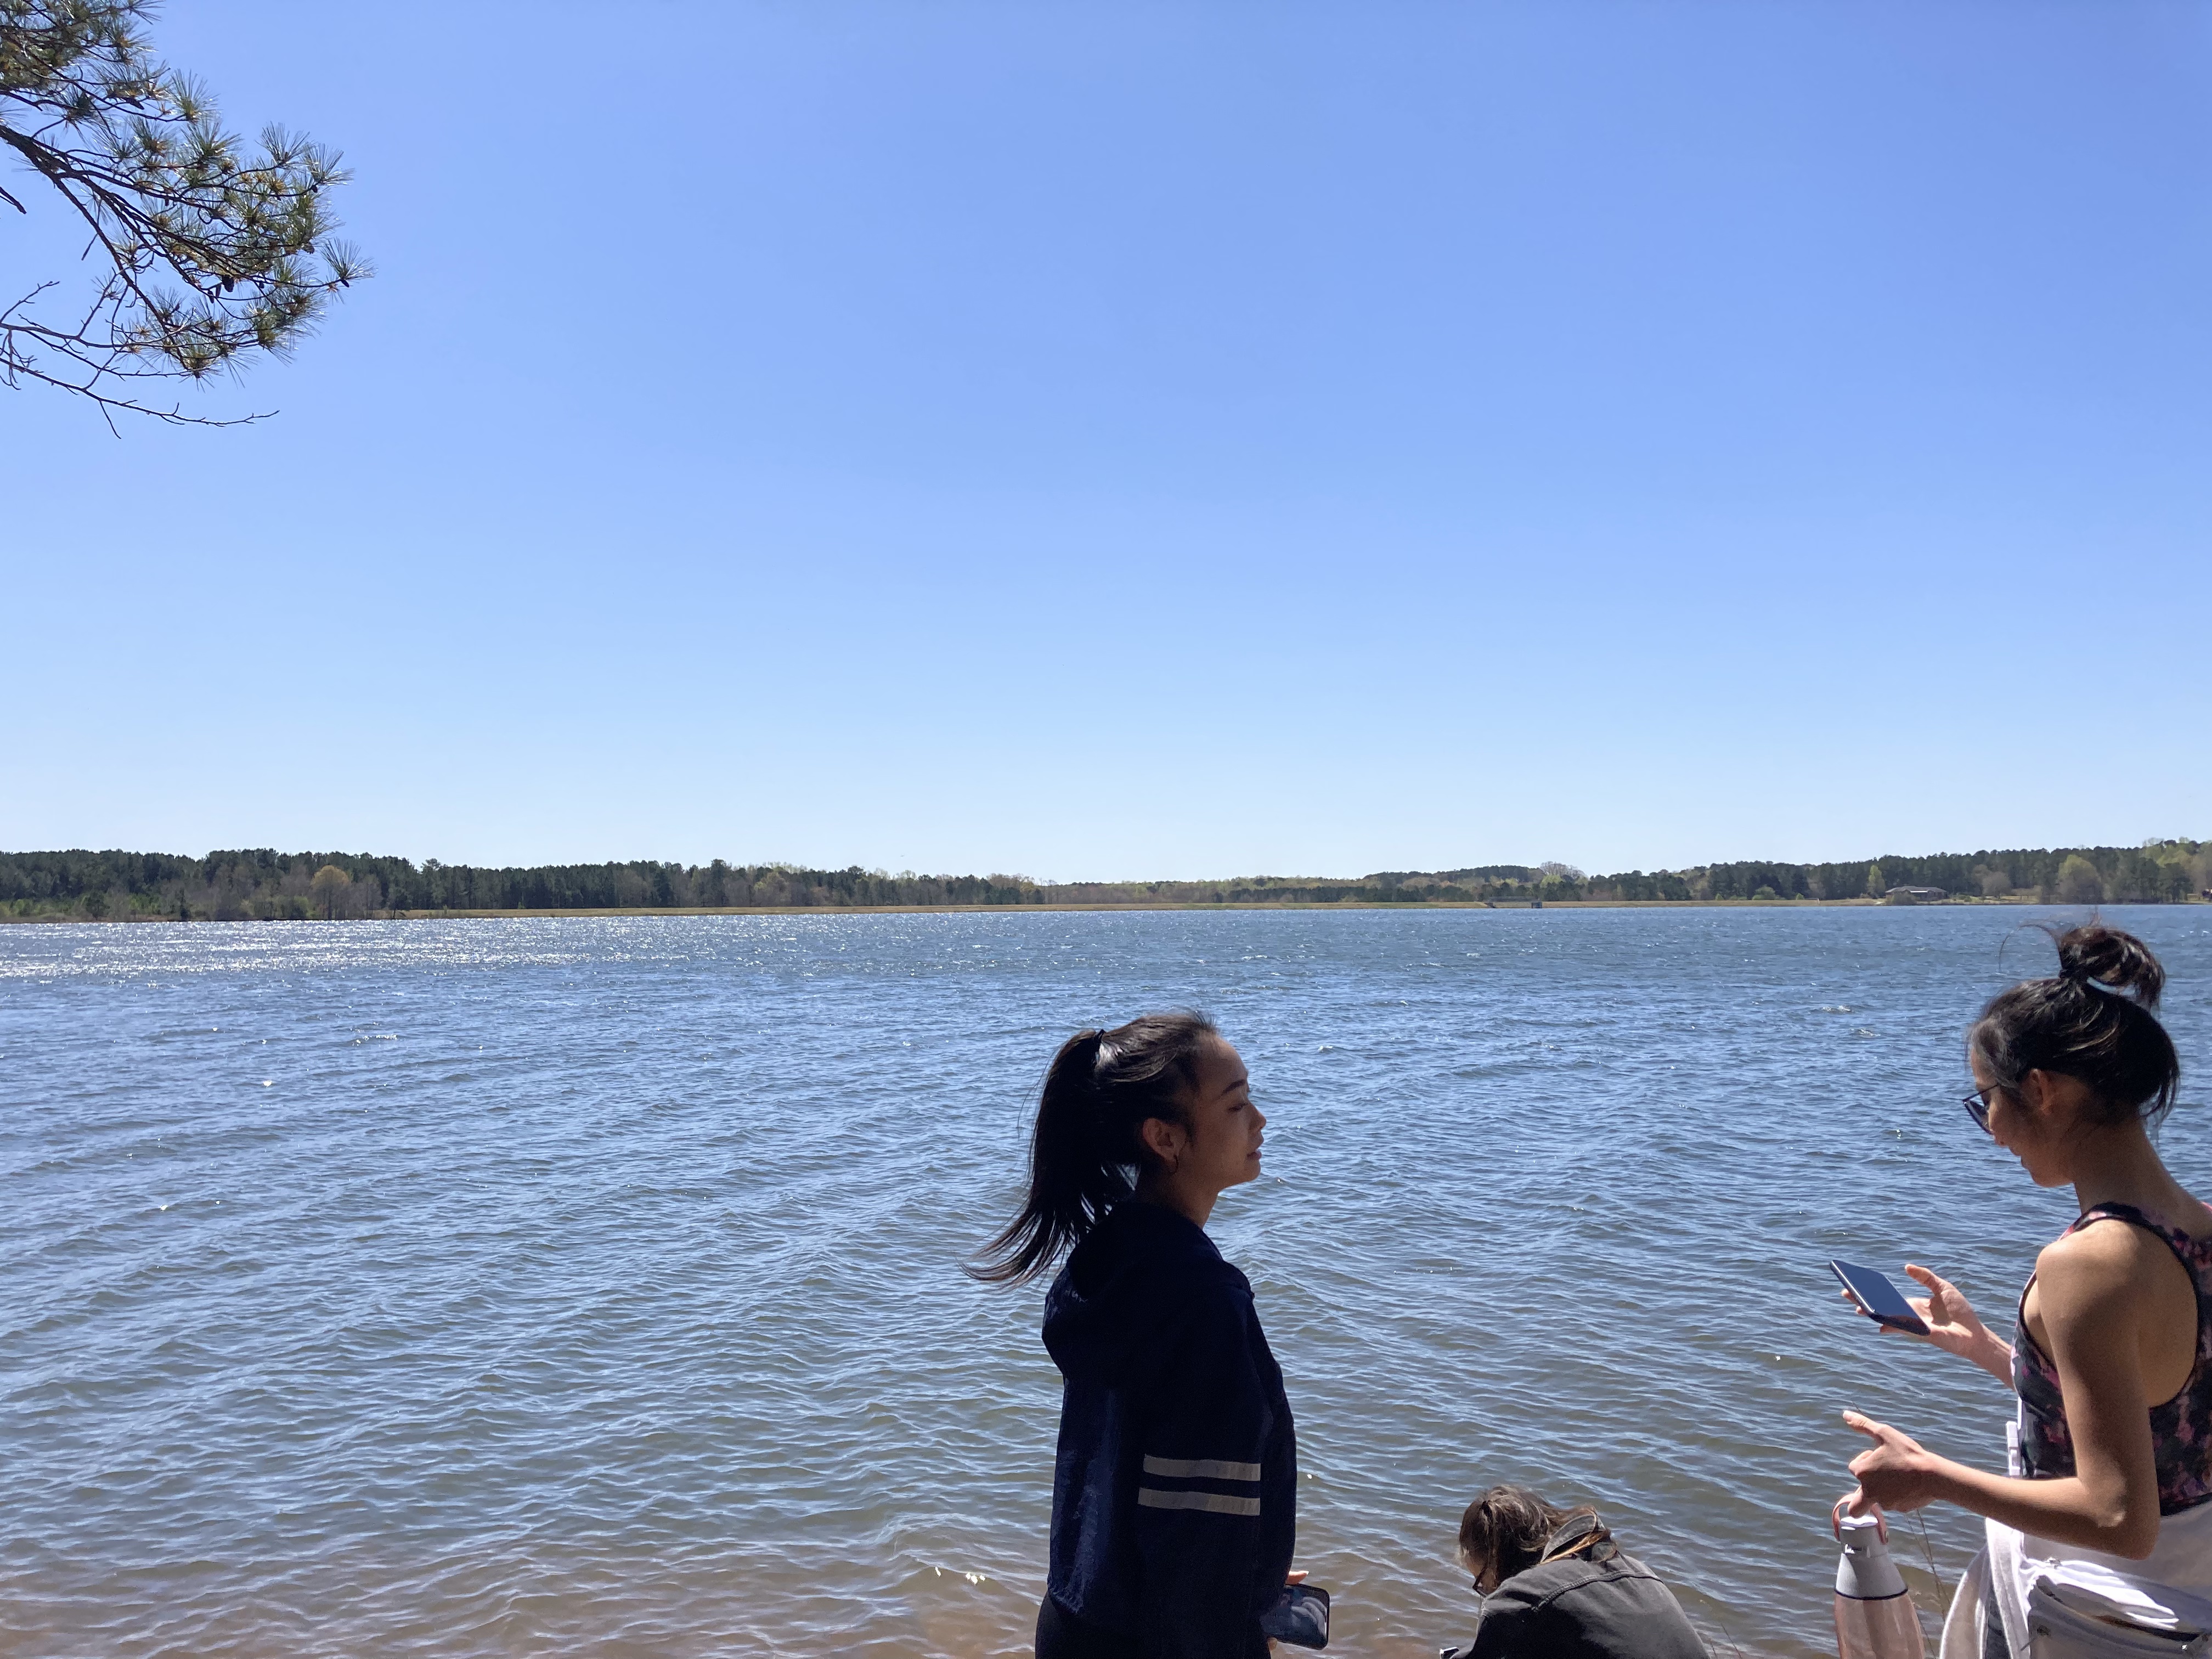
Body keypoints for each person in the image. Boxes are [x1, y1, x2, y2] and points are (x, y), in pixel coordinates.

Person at [1836, 923, 2212, 1656]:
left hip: (2096, 1617)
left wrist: (1931, 1476)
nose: (1992, 1131)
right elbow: (2168, 1417)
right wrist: (1985, 1349)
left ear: (2041, 1091)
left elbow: (2118, 1519)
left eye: (1985, 1101)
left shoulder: (2086, 1263)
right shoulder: (2196, 1227)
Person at [967, 1012, 1300, 1659]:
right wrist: (1239, 1615)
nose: (1259, 1120)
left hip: (1076, 1615)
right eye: (1236, 1105)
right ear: (1164, 1138)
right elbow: (1197, 1524)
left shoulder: (1104, 1262)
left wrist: (1252, 1569)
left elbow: (1141, 1479)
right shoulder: (1204, 1299)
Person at [1438, 1485, 1708, 1658]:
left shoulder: (1522, 1597)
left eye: (1483, 1585)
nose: (1488, 1593)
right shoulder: (1639, 1571)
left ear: (1497, 1563)